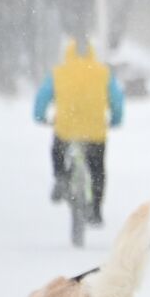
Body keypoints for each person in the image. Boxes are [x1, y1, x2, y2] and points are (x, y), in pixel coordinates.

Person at [33, 39, 125, 225]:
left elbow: (43, 96)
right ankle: (96, 211)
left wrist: (40, 116)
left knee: (57, 149)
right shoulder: (102, 73)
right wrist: (116, 119)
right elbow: (116, 99)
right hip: (95, 131)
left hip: (66, 128)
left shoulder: (59, 73)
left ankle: (60, 176)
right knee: (97, 169)